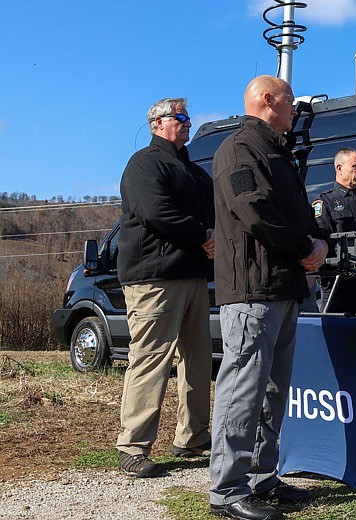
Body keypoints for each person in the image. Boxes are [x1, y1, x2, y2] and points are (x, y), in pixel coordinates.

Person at [209, 75, 329, 520]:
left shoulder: (276, 151)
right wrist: (304, 247)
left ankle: (261, 478)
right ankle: (227, 490)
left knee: (274, 390)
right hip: (253, 290)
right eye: (290, 102)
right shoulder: (239, 149)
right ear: (267, 100)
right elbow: (255, 211)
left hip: (283, 286)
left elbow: (298, 212)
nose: (295, 109)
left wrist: (319, 242)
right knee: (243, 387)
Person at [116, 98, 215, 477]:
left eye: (190, 117)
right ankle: (133, 445)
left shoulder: (195, 173)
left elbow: (214, 215)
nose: (188, 123)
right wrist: (202, 235)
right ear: (158, 123)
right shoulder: (144, 163)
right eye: (181, 118)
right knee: (152, 359)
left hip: (191, 276)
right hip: (153, 279)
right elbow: (155, 211)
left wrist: (213, 236)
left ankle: (192, 435)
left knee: (198, 360)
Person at [311, 147, 356, 312]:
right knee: (336, 332)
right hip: (338, 282)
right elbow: (322, 237)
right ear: (339, 168)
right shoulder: (325, 201)